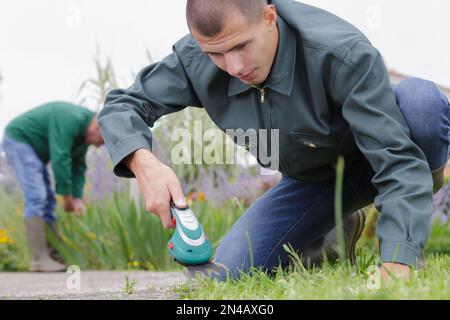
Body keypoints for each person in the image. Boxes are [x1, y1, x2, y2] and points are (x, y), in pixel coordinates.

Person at [97, 0, 450, 282]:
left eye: (240, 46)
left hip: (386, 155)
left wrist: (396, 260)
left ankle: (406, 236)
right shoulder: (196, 59)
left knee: (422, 102)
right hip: (315, 180)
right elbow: (123, 105)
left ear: (269, 17)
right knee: (229, 273)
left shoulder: (340, 52)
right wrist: (143, 162)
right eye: (216, 54)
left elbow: (396, 159)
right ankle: (335, 229)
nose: (233, 66)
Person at [3, 101, 104, 272]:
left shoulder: (83, 137)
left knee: (48, 201)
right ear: (97, 128)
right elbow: (60, 158)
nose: (101, 145)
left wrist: (77, 198)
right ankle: (39, 259)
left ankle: (53, 256)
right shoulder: (71, 119)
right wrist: (67, 198)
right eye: (103, 140)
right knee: (37, 197)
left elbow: (78, 166)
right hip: (19, 140)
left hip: (35, 151)